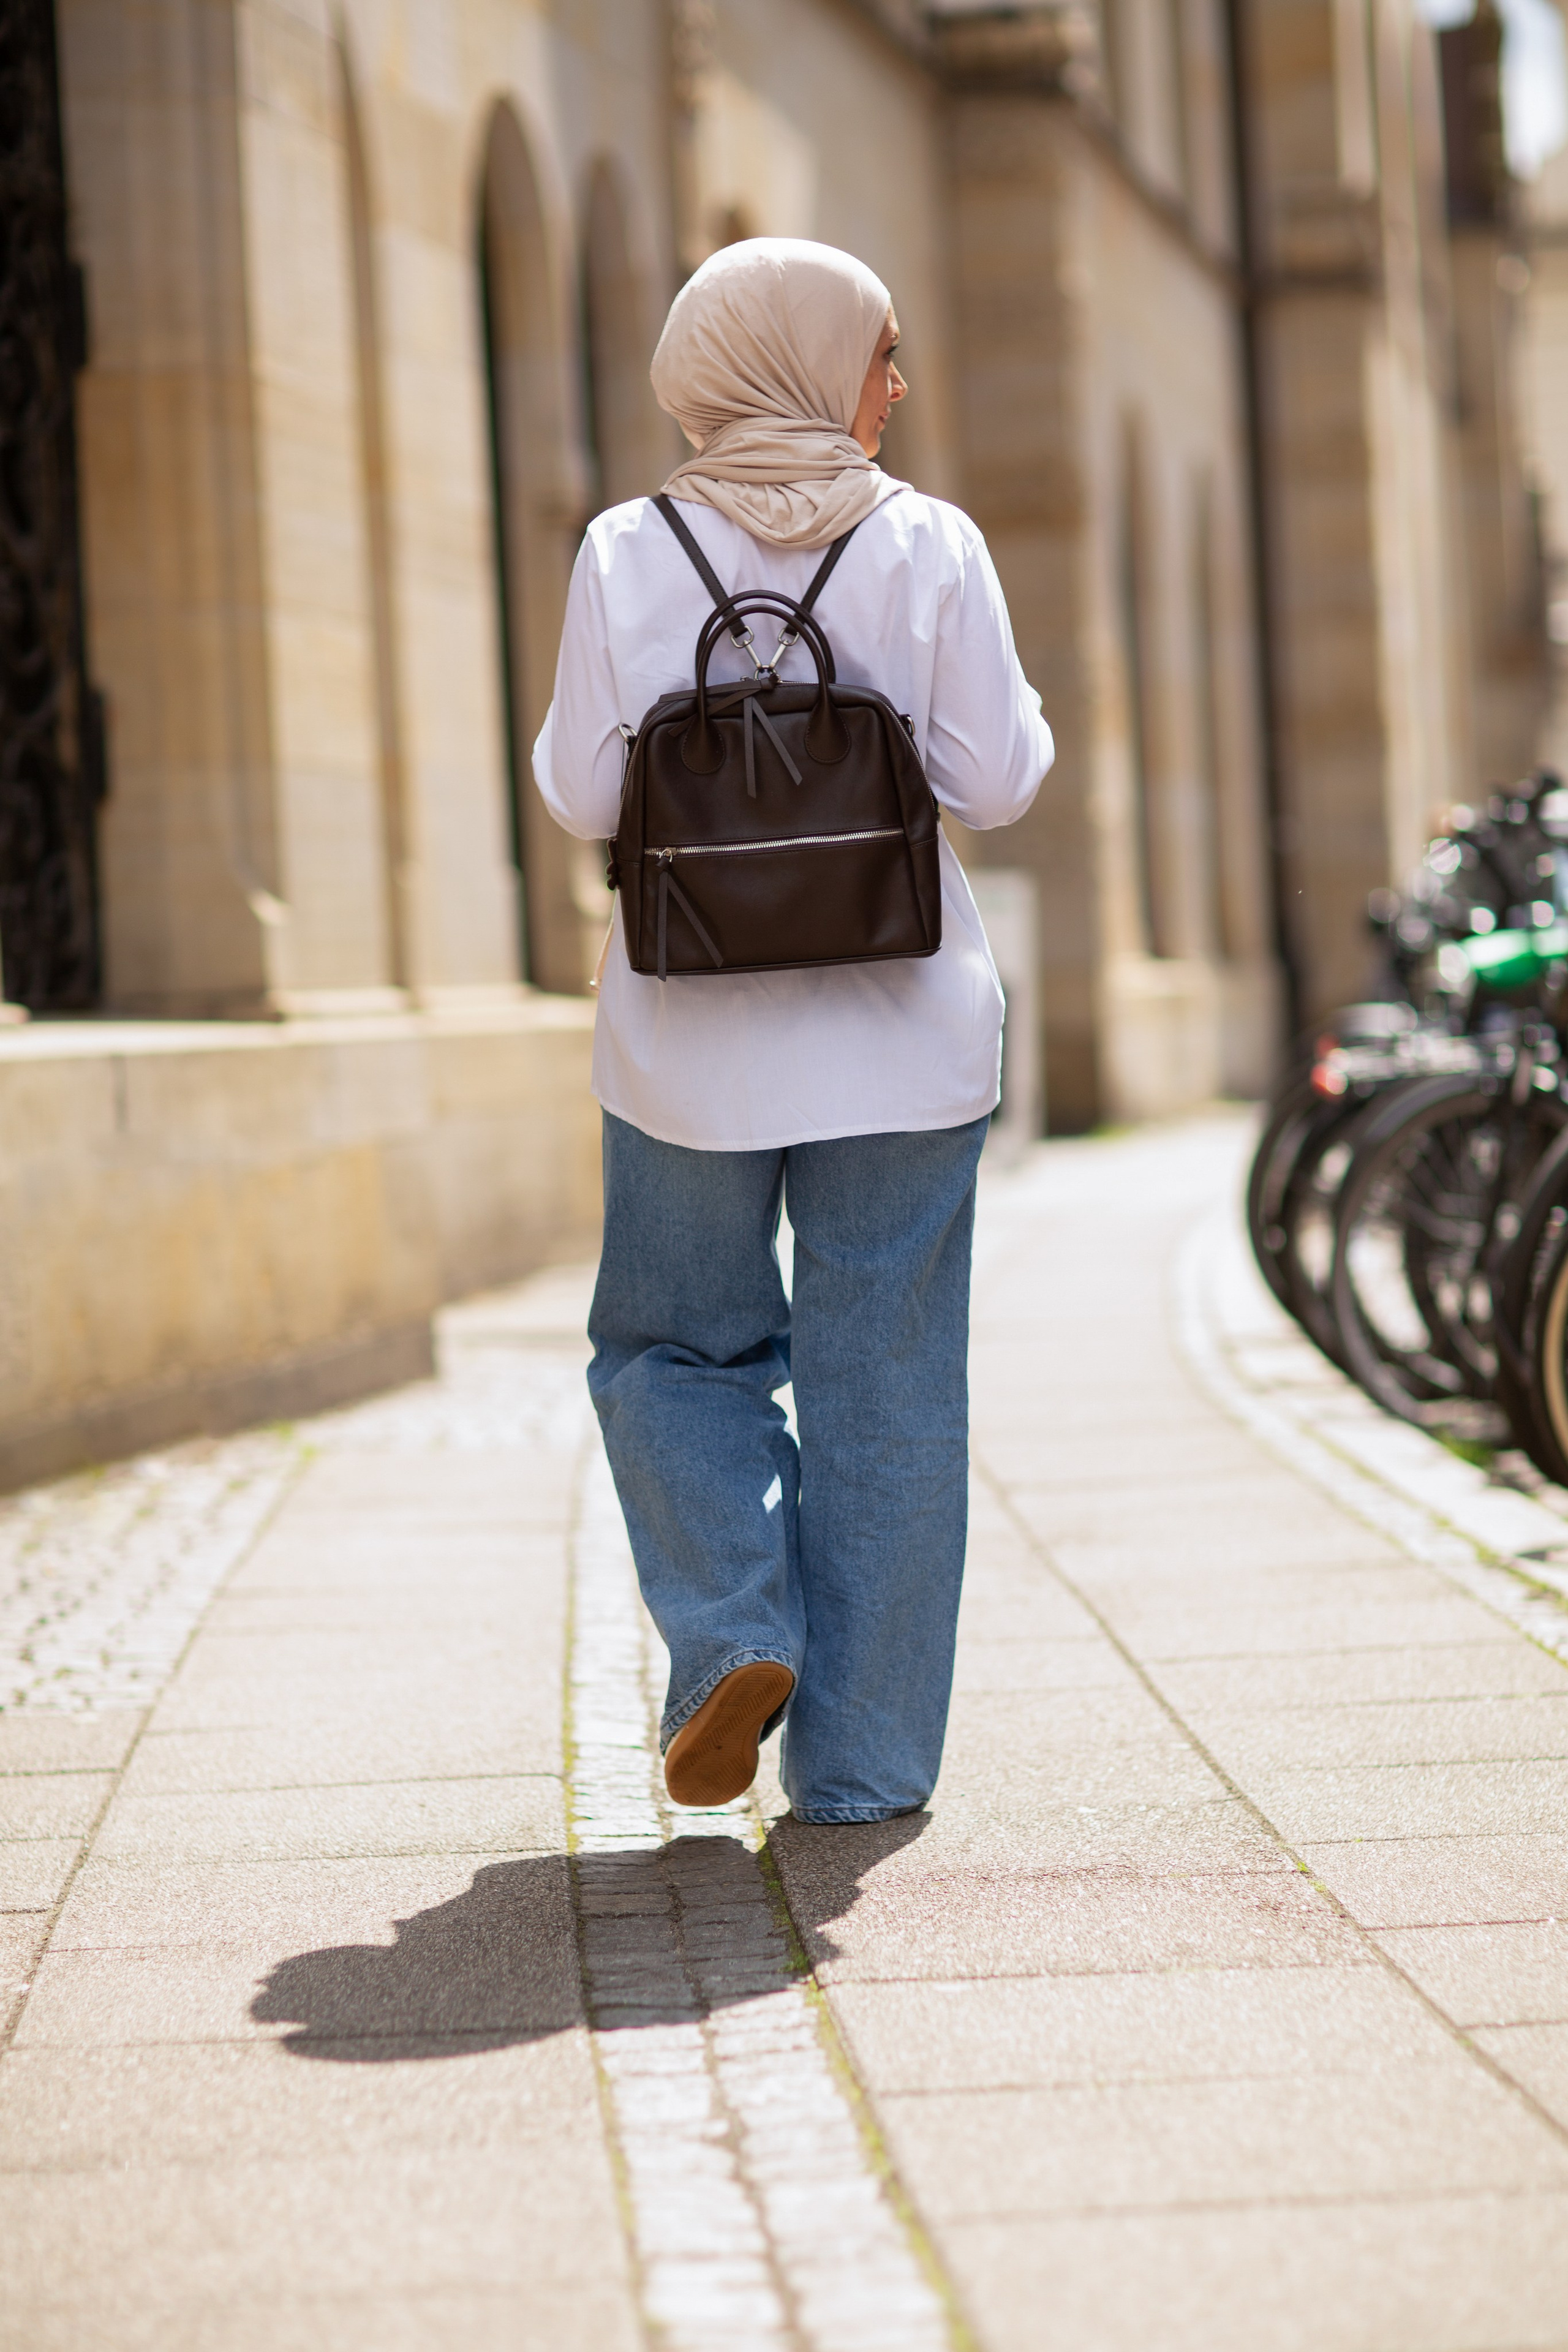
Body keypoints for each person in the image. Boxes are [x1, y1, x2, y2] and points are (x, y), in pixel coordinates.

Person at [533, 238, 1052, 1825]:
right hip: (905, 1039)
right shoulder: (931, 542)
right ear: (817, 360)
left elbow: (582, 793)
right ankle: (867, 1772)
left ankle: (732, 1630)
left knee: (673, 1350)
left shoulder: (628, 548)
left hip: (689, 1043)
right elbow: (999, 783)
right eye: (882, 351)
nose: (896, 384)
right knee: (889, 1387)